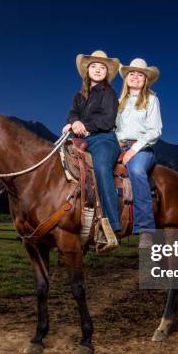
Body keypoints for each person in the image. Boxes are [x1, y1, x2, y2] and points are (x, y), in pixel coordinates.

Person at [62, 50, 121, 249]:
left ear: (107, 73)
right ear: (87, 71)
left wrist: (83, 125)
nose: (97, 70)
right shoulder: (79, 96)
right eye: (94, 66)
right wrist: (73, 122)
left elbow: (107, 120)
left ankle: (111, 227)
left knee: (102, 169)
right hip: (80, 139)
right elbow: (72, 114)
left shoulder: (109, 93)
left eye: (102, 67)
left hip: (103, 139)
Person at [115, 58, 162, 249]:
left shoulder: (151, 99)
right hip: (118, 146)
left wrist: (133, 150)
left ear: (145, 80)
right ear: (126, 78)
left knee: (135, 171)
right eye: (131, 73)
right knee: (98, 169)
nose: (135, 77)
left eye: (140, 74)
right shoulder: (118, 102)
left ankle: (145, 229)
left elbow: (155, 131)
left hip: (142, 148)